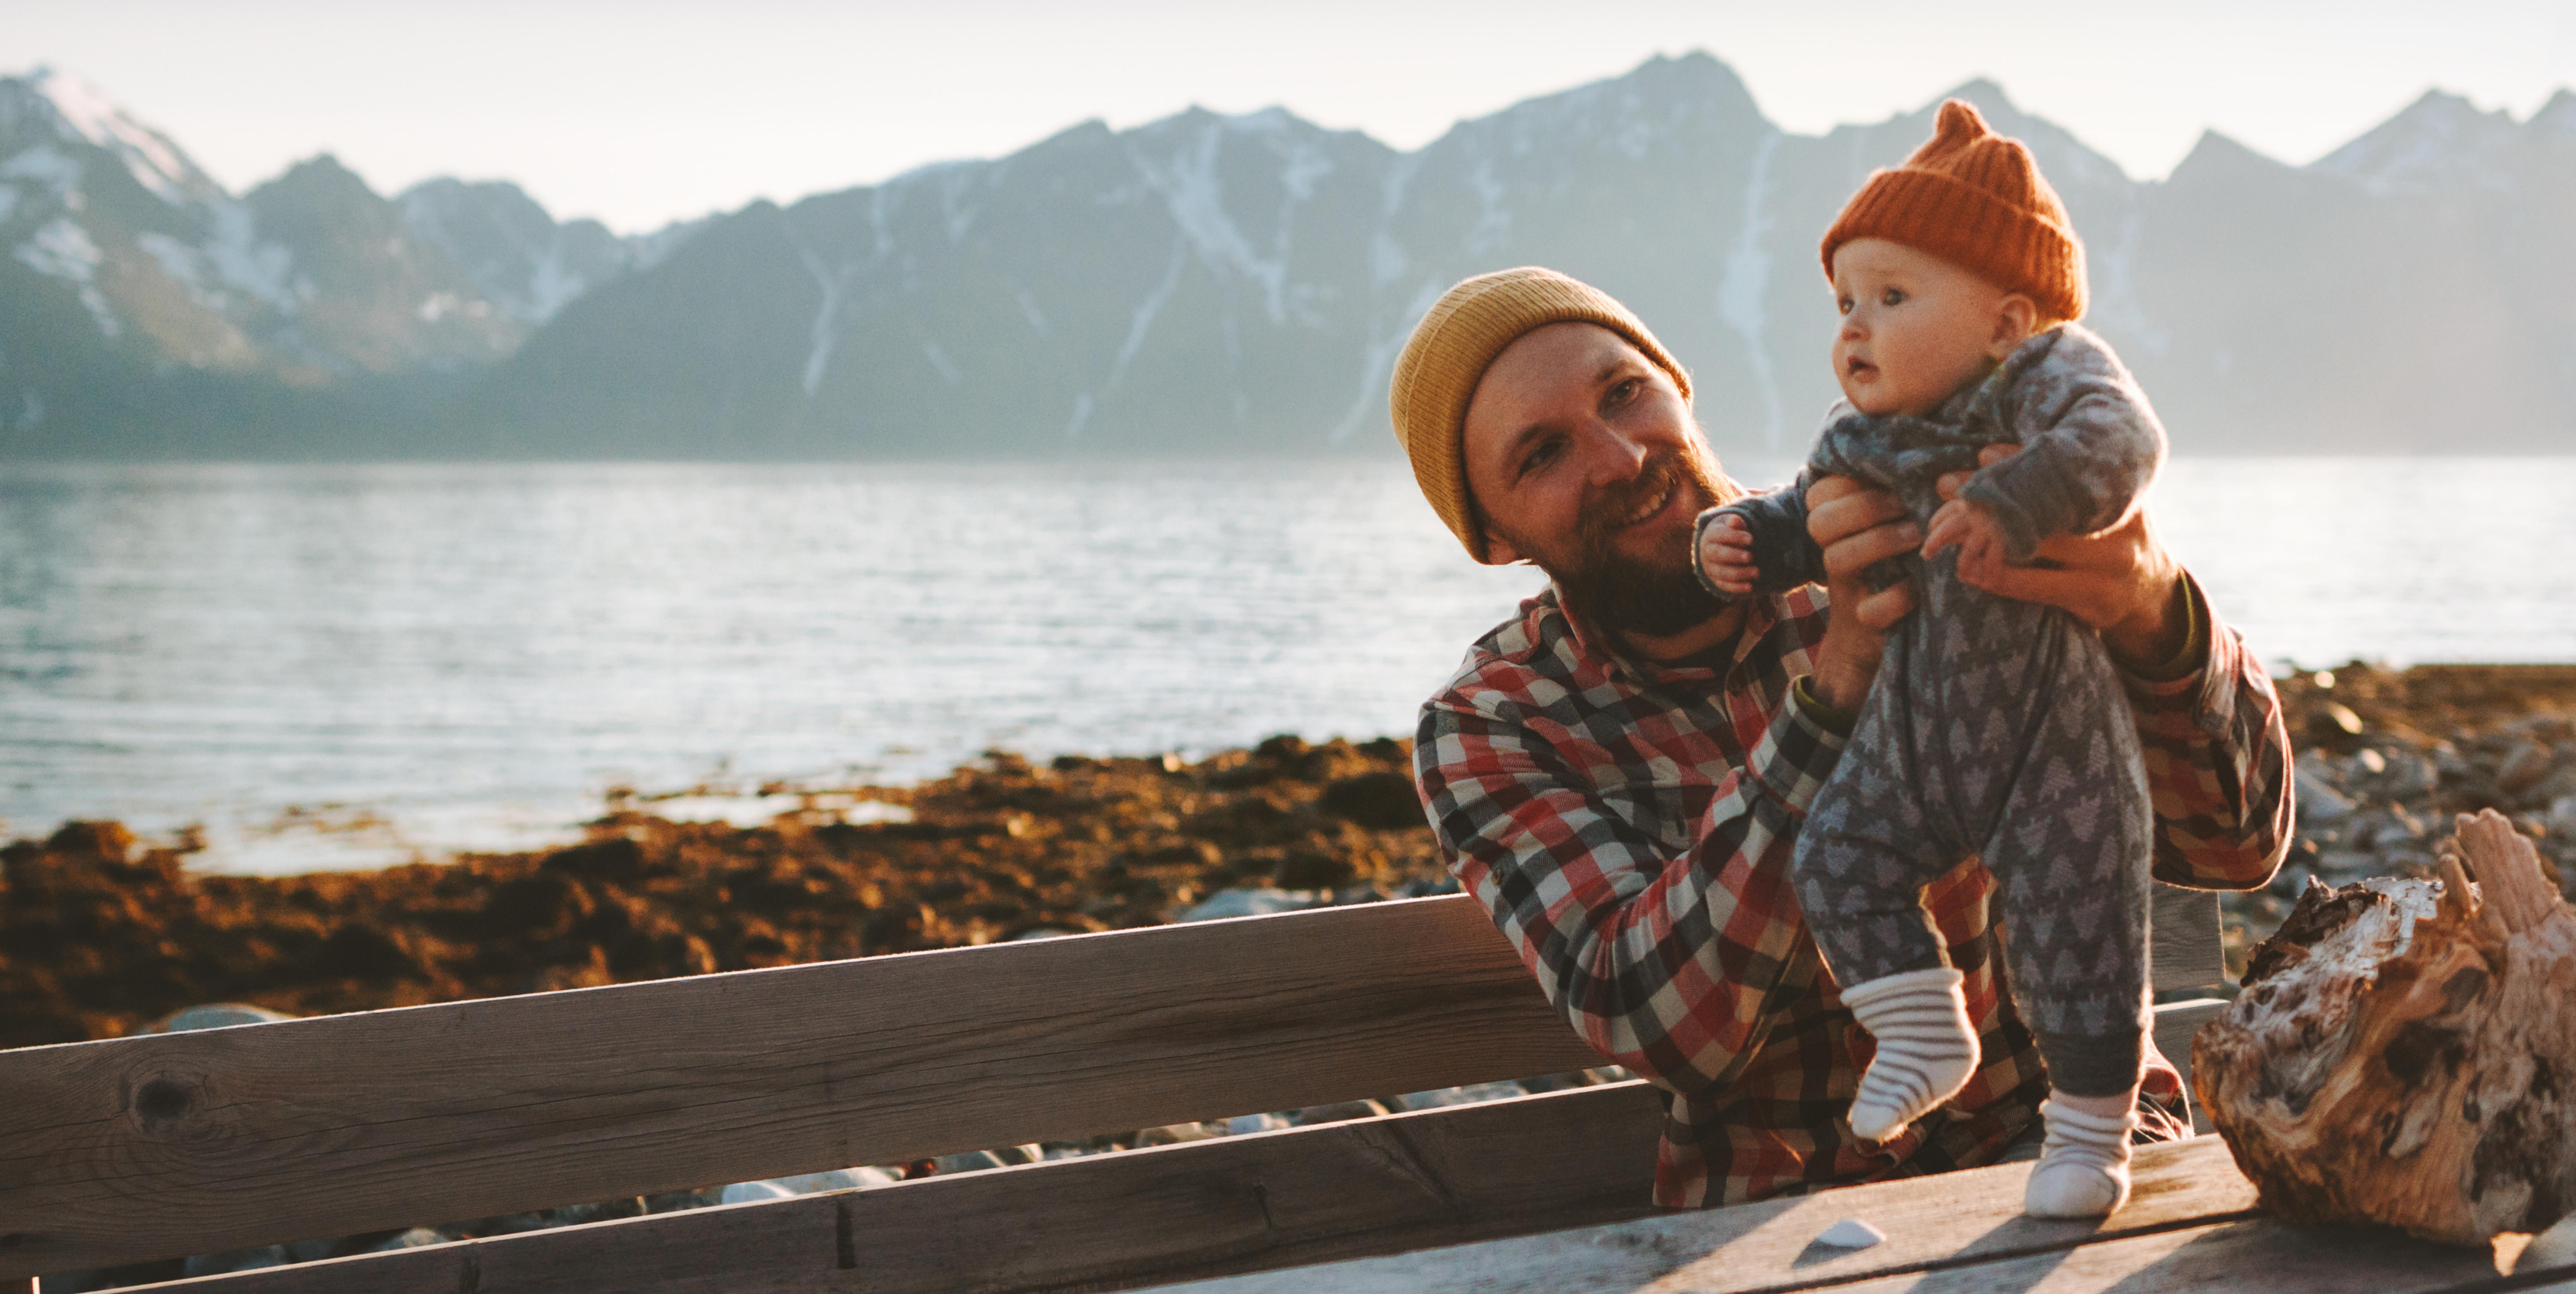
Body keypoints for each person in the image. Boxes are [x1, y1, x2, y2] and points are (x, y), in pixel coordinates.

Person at [1388, 263, 2290, 1210]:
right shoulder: (1495, 722)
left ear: (1678, 387)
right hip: (1780, 1227)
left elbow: (2238, 843)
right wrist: (1837, 688)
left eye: (1625, 392)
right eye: (1542, 455)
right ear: (1491, 536)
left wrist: (2150, 605)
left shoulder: (1919, 516)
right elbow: (1662, 1023)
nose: (1620, 458)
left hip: (2074, 1162)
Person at [1692, 100, 2169, 1216]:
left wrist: (2025, 494)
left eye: (1892, 299)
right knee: (1841, 853)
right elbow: (1805, 510)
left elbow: (2123, 437)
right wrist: (1749, 540)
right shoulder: (1862, 435)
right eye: (1845, 302)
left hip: (2050, 740)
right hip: (1913, 732)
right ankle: (1919, 1029)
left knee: (2081, 928)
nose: (1855, 328)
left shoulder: (2040, 381)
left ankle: (2092, 1137)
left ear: (2009, 322)